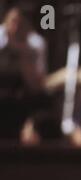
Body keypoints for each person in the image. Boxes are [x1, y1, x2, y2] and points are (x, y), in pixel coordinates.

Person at [0, 5, 47, 140]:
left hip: (23, 95)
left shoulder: (36, 44)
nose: (16, 28)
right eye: (13, 22)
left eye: (21, 24)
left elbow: (37, 85)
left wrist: (22, 53)